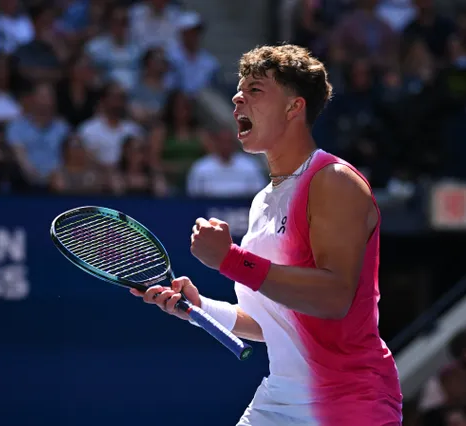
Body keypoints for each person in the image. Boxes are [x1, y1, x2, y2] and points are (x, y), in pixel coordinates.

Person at [130, 44, 403, 425]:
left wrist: (229, 260)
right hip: (278, 400)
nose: (237, 97)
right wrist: (199, 308)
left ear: (295, 107)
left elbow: (334, 297)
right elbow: (275, 323)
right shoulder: (262, 202)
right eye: (239, 89)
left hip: (348, 401)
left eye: (255, 89)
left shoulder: (334, 182)